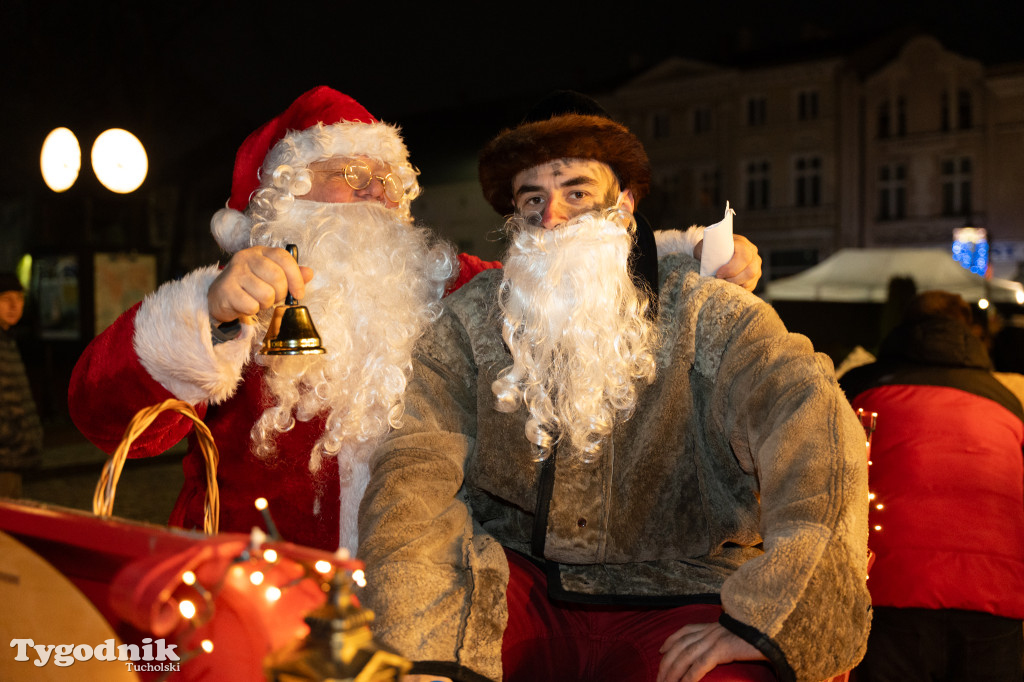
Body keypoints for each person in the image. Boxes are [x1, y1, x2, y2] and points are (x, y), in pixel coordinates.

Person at [69, 87, 762, 553]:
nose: (379, 192)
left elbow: (564, 274)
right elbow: (105, 420)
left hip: (417, 604)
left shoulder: (444, 285)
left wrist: (690, 257)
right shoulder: (237, 297)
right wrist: (204, 313)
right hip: (257, 601)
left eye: (389, 179)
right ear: (285, 195)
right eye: (351, 175)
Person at [357, 112, 871, 682]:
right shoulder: (471, 320)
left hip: (685, 591)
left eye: (576, 193)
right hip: (516, 586)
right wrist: (420, 633)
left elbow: (814, 433)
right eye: (532, 199)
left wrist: (769, 615)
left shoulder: (708, 314)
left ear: (622, 205)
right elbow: (414, 469)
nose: (551, 217)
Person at [839, 290, 1024, 682]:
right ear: (971, 332)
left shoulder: (859, 387)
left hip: (887, 590)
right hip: (995, 595)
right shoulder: (1007, 403)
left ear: (903, 327)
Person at [0, 273, 42, 499]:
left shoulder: (8, 340)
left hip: (11, 459)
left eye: (19, 298)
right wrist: (16, 438)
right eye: (6, 299)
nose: (14, 306)